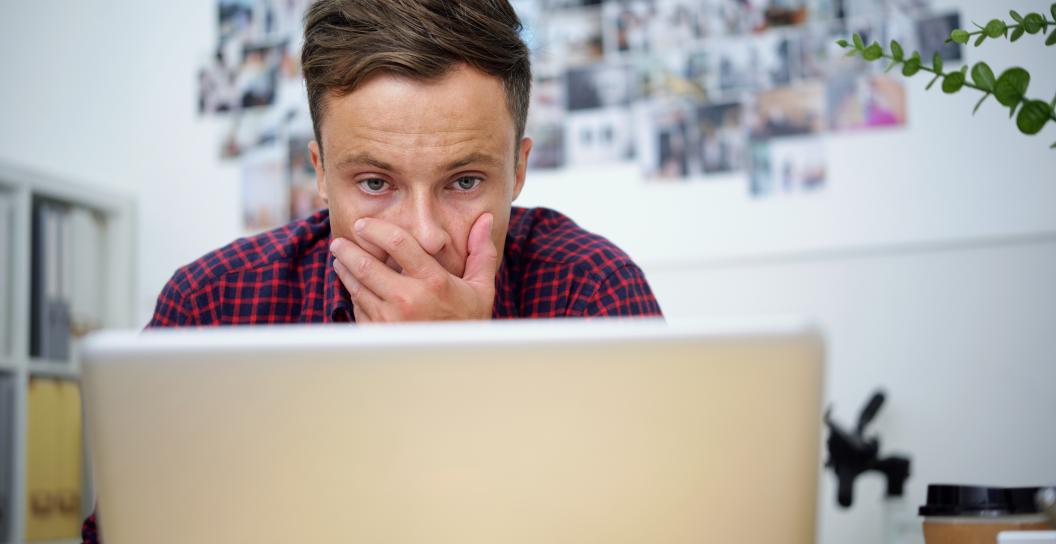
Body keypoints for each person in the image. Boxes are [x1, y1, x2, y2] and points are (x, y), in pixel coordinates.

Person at [81, 0, 661, 541]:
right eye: (375, 183)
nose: (424, 234)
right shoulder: (213, 305)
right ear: (320, 170)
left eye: (464, 181)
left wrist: (465, 377)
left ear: (518, 170)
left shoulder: (591, 291)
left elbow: (657, 522)